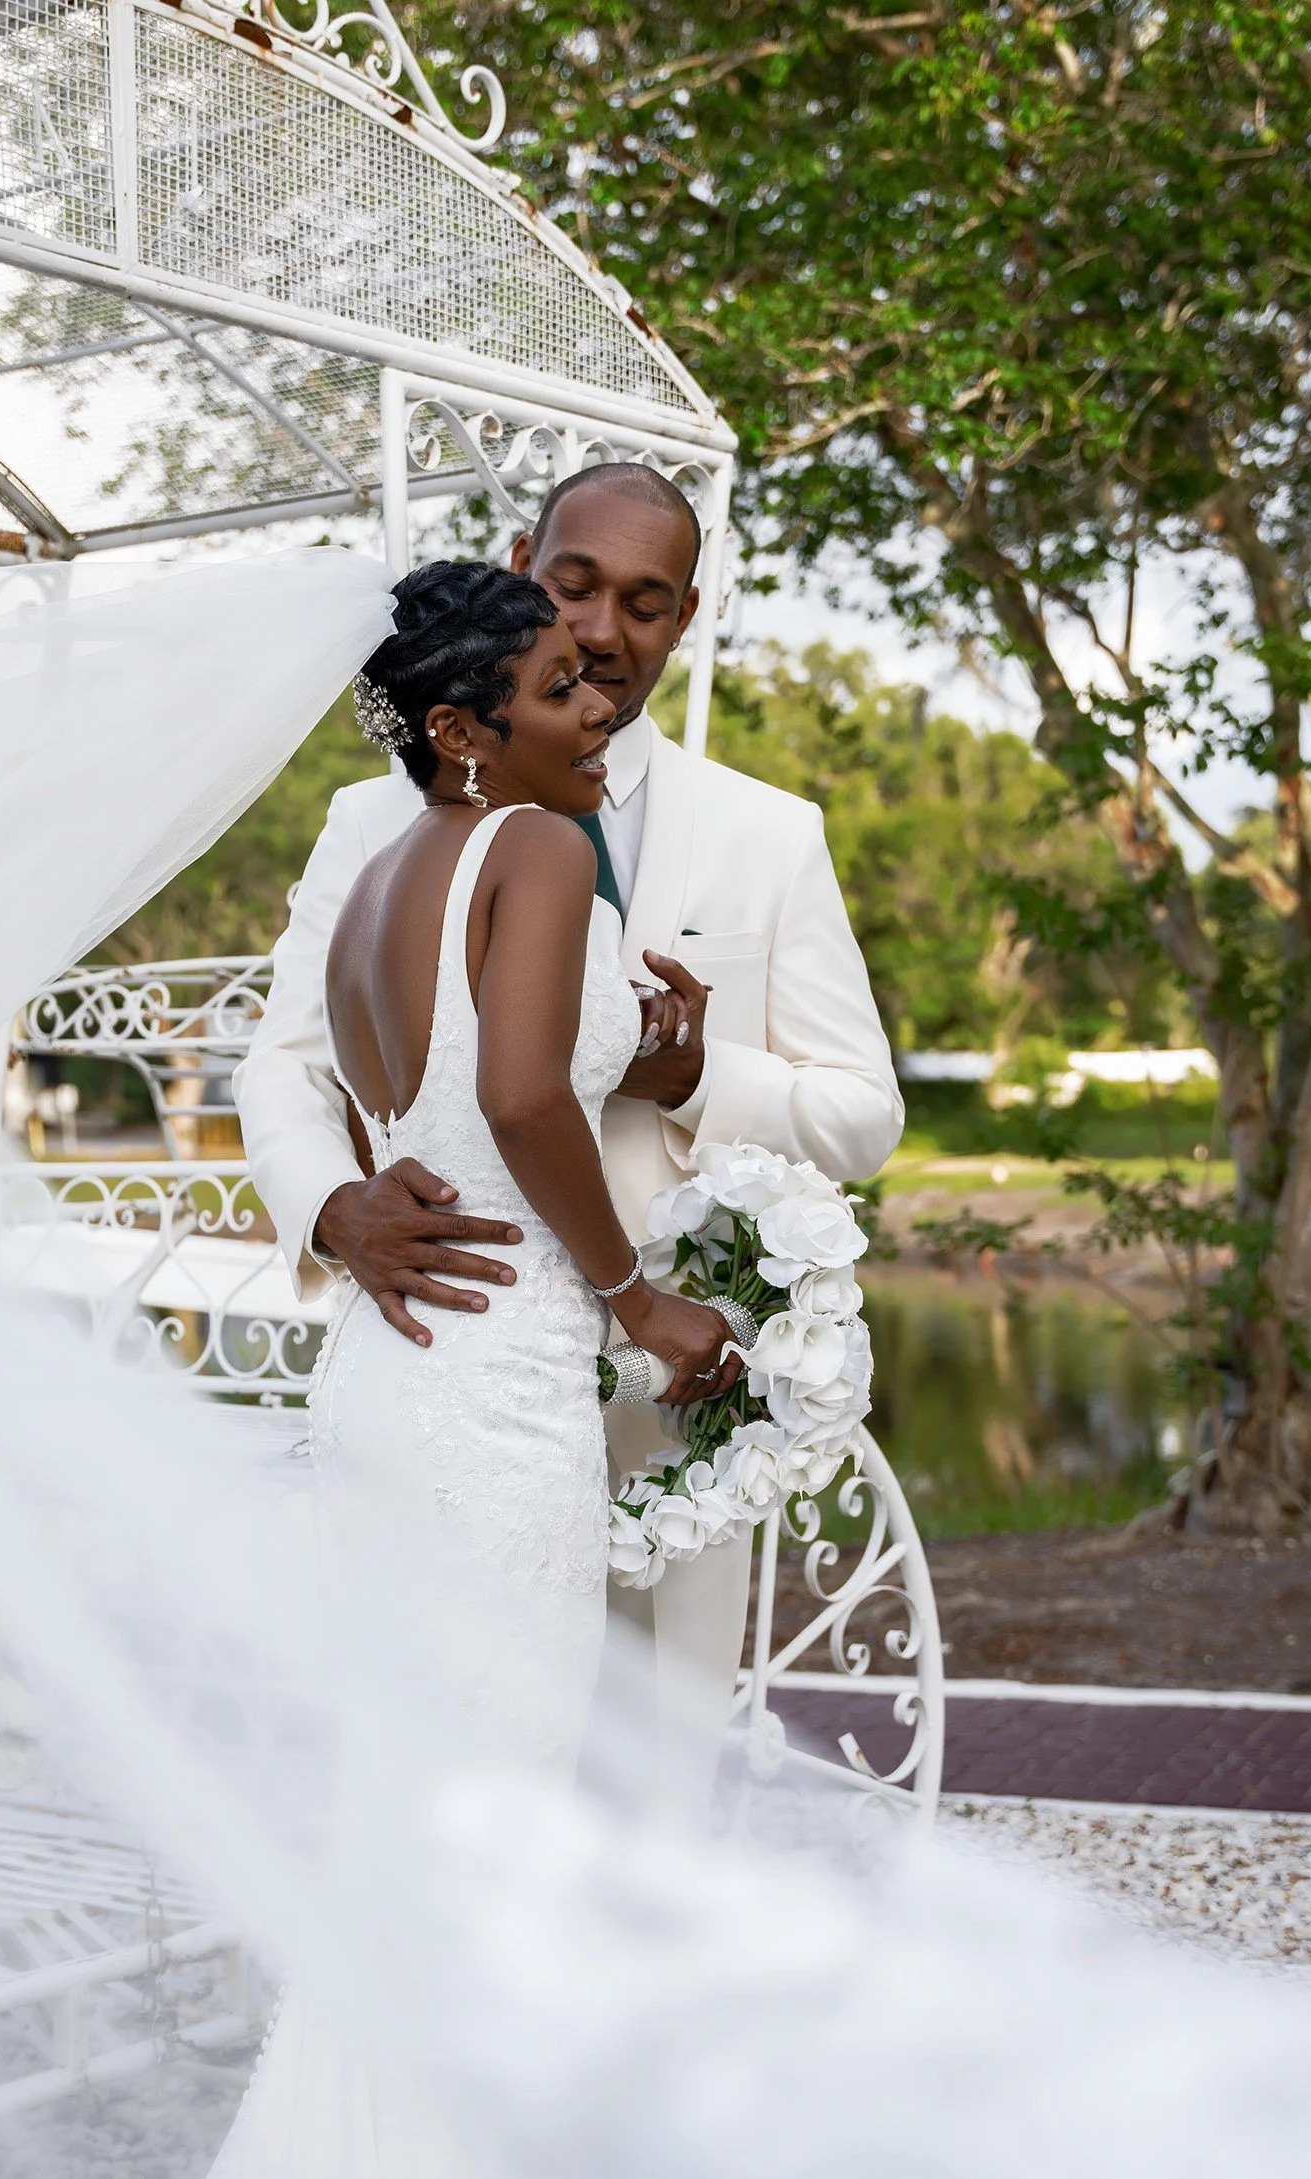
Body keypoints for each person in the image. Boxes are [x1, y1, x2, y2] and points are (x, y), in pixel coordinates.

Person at [235, 467, 905, 1801]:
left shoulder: (771, 836)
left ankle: (586, 2004)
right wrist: (335, 1208)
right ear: (521, 561)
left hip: (672, 1409)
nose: (604, 634)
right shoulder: (377, 818)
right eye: (576, 588)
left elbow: (865, 1115)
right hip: (461, 1333)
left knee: (644, 1782)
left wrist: (699, 1069)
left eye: (646, 605)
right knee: (464, 1750)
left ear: (688, 618)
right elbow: (285, 1068)